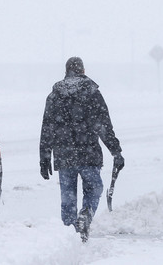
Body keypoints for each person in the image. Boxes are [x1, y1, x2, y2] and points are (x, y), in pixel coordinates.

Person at [39, 57, 124, 241]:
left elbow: (47, 128)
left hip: (64, 155)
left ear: (66, 71)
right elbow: (104, 126)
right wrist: (115, 151)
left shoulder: (55, 96)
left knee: (68, 198)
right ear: (83, 71)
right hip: (89, 153)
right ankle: (86, 214)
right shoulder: (92, 93)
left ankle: (69, 235)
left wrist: (44, 156)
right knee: (94, 188)